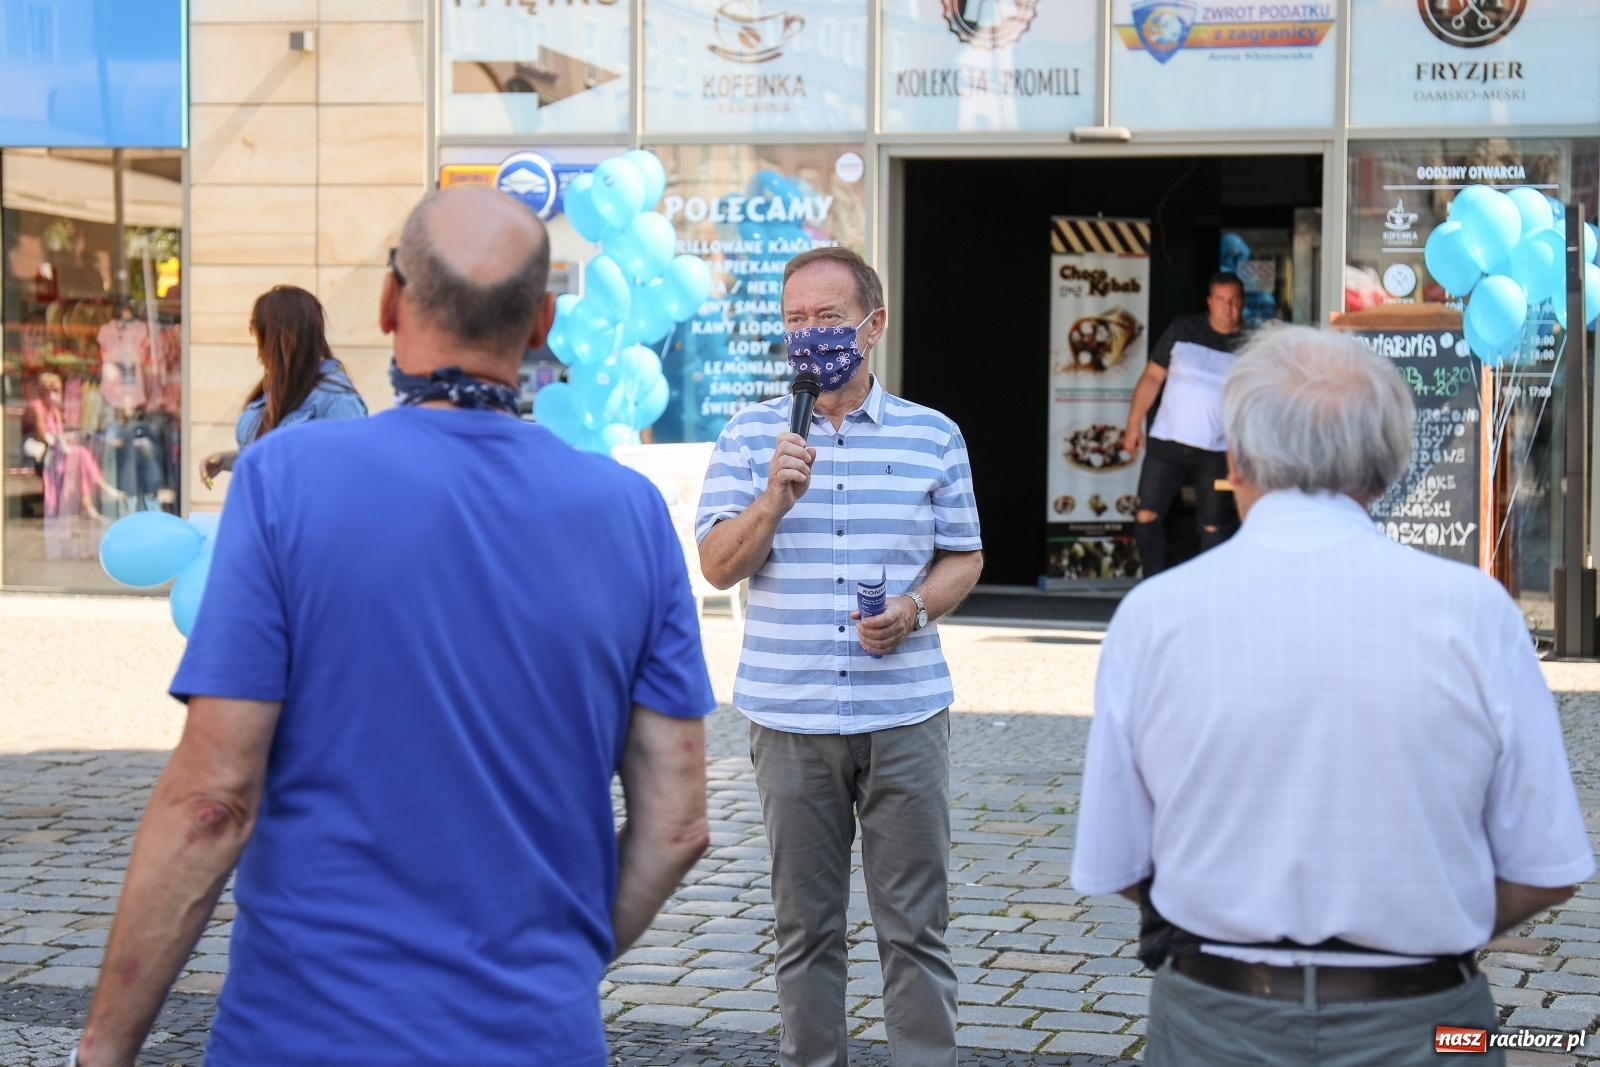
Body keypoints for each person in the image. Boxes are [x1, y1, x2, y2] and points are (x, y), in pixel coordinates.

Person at [72, 186, 716, 1067]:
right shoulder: (631, 514)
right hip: (536, 1041)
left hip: (303, 1038)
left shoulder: (286, 481)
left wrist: (103, 1050)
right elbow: (678, 824)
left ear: (386, 304)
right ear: (542, 327)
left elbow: (212, 801)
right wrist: (547, 969)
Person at [1073, 325, 1594, 1067]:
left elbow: (1116, 861)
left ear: (1238, 459)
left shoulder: (1156, 615)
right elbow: (1546, 867)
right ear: (1383, 471)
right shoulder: (1474, 611)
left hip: (1215, 1014)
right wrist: (1420, 913)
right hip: (1424, 1019)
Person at [696, 246, 984, 1067]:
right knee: (805, 928)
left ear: (873, 324)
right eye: (795, 322)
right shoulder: (753, 435)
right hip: (789, 717)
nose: (809, 337)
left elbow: (965, 555)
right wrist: (773, 501)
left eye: (826, 319)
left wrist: (915, 608)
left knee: (915, 927)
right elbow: (718, 567)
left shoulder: (935, 435)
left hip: (905, 715)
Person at [1121, 272, 1248, 575]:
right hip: (1167, 440)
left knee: (1213, 525)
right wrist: (1133, 424)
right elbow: (1152, 377)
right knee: (1146, 515)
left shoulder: (1250, 344)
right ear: (1210, 302)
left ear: (1241, 303)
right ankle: (1154, 581)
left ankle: (1209, 587)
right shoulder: (1183, 329)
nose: (1227, 308)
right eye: (1220, 300)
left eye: (1233, 301)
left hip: (1218, 448)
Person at [200, 285, 367, 489]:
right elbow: (277, 459)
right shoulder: (278, 388)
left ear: (278, 337)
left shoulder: (336, 401)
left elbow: (350, 477)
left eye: (257, 331)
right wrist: (227, 460)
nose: (256, 343)